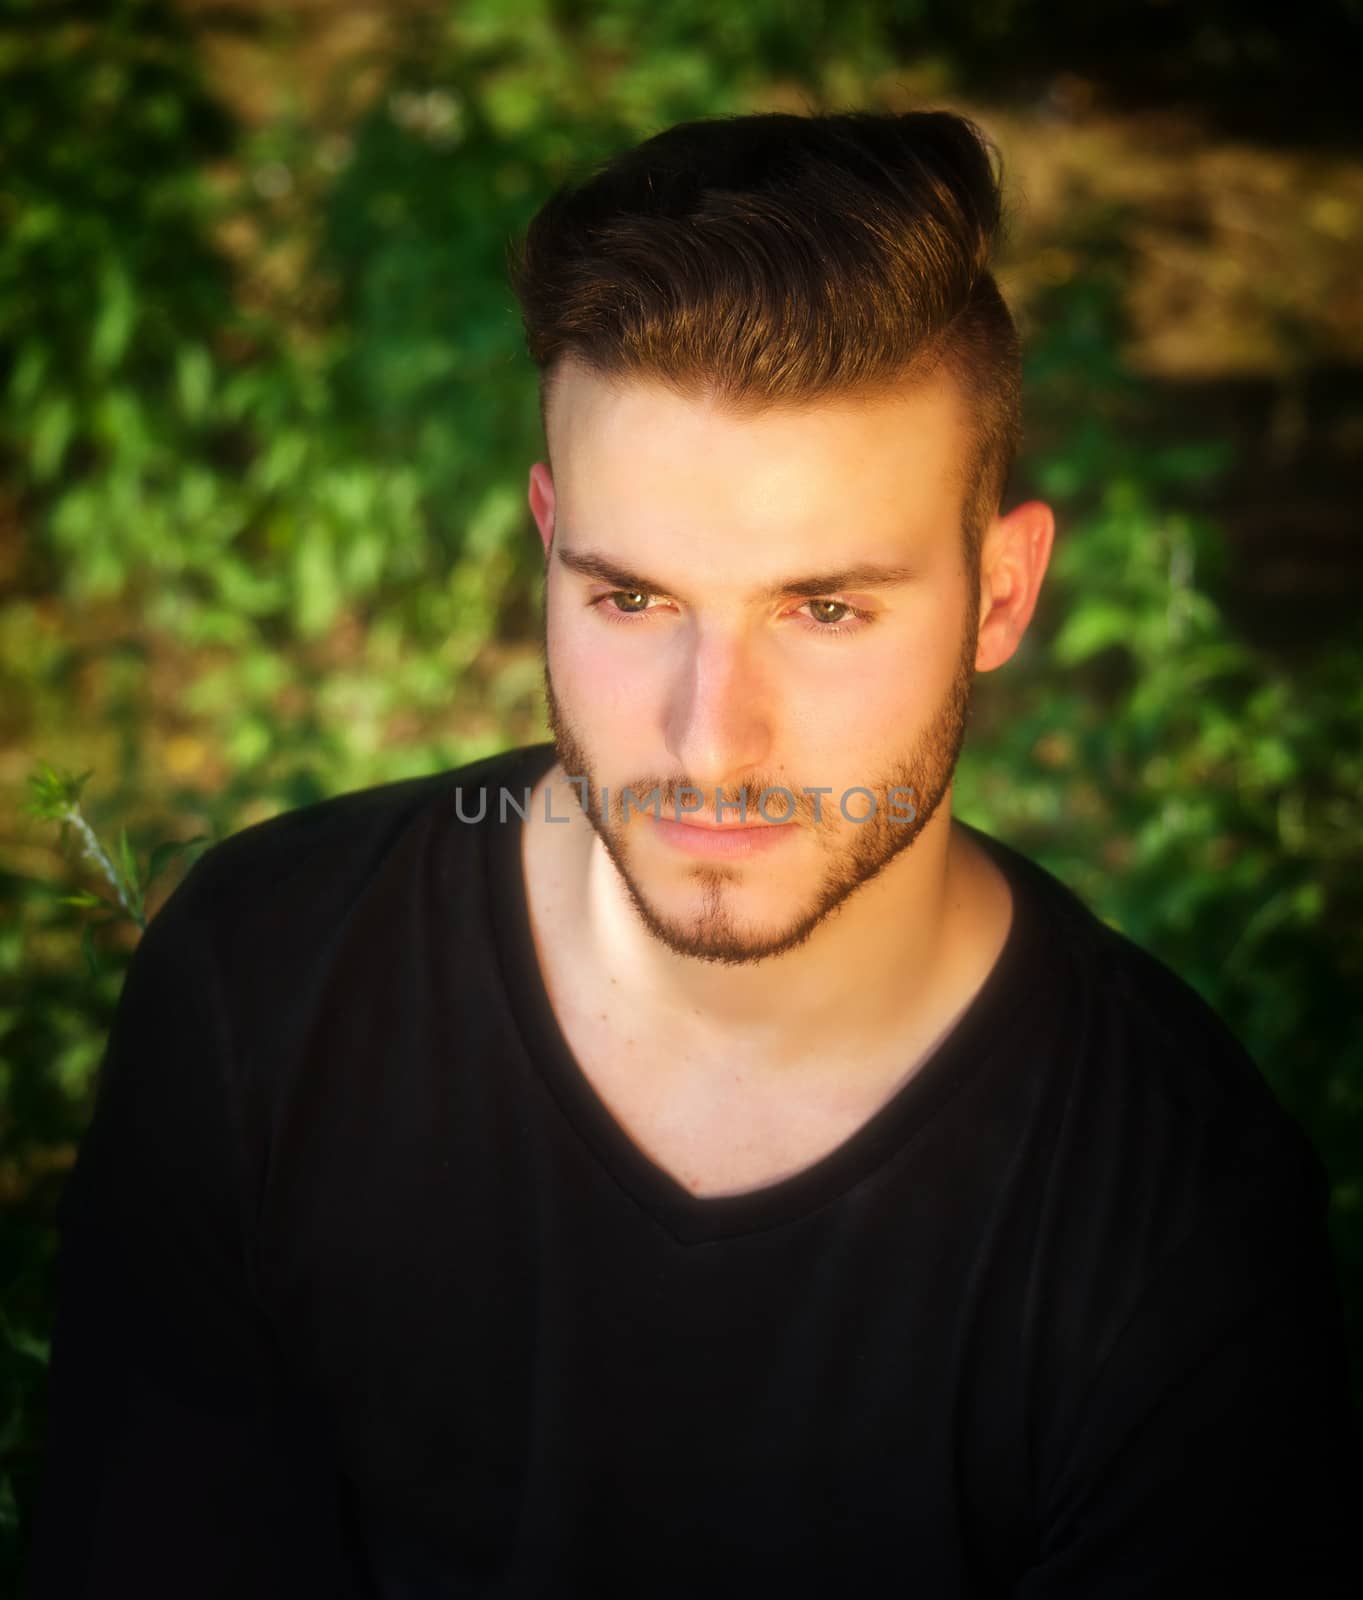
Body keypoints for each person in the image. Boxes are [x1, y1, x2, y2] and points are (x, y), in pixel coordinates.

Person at [23, 108, 1359, 1597]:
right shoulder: (264, 988)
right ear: (548, 543)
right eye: (634, 601)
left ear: (1002, 593)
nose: (710, 742)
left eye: (826, 609)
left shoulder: (1179, 1212)